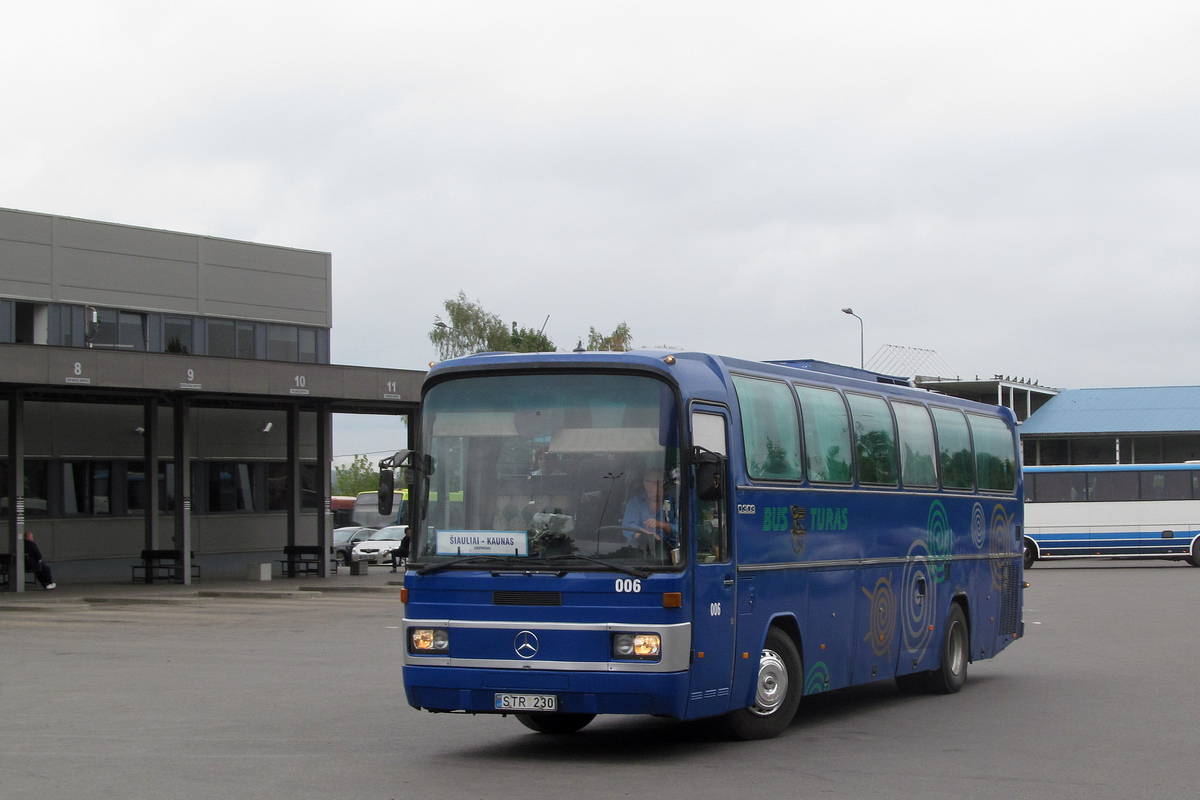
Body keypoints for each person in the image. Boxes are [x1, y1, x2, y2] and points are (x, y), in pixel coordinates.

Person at [621, 468, 678, 553]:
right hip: (639, 552)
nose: (660, 486)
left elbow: (683, 530)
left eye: (663, 483)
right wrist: (648, 536)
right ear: (646, 484)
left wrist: (662, 525)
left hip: (670, 554)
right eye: (656, 483)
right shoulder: (635, 503)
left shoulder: (674, 503)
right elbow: (629, 526)